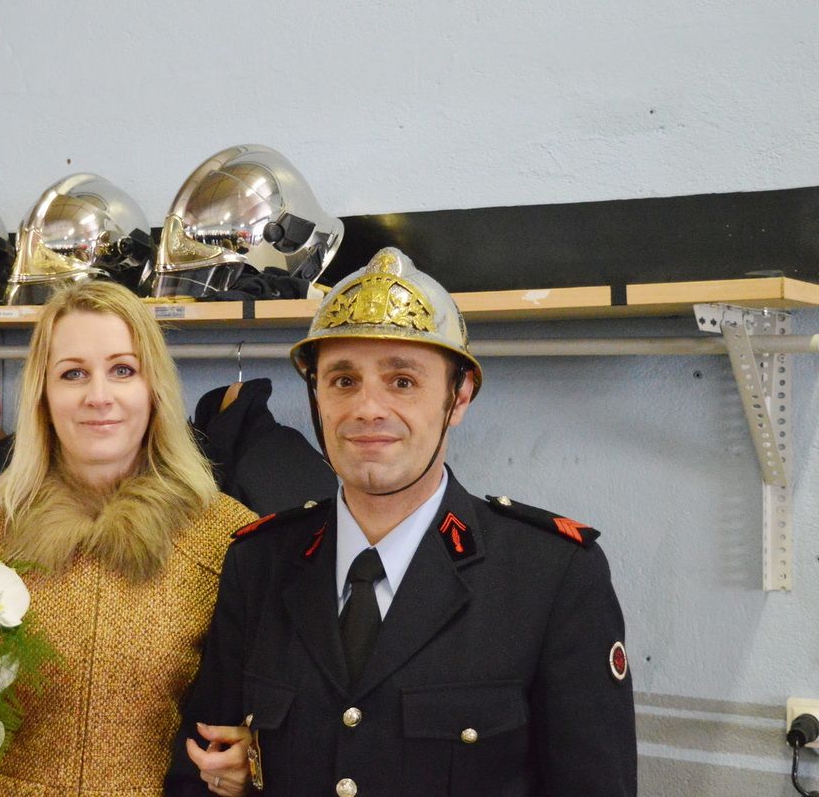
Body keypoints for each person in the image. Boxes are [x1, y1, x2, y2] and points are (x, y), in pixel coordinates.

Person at [169, 248, 637, 796]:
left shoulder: (551, 575)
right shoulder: (259, 561)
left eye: (402, 381)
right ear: (316, 395)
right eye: (344, 380)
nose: (368, 408)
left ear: (458, 397)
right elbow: (199, 771)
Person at [0, 279, 256, 796]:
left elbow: (265, 711)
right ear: (43, 395)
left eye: (123, 370)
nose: (99, 397)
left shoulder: (227, 538)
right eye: (73, 373)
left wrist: (252, 756)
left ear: (154, 388)